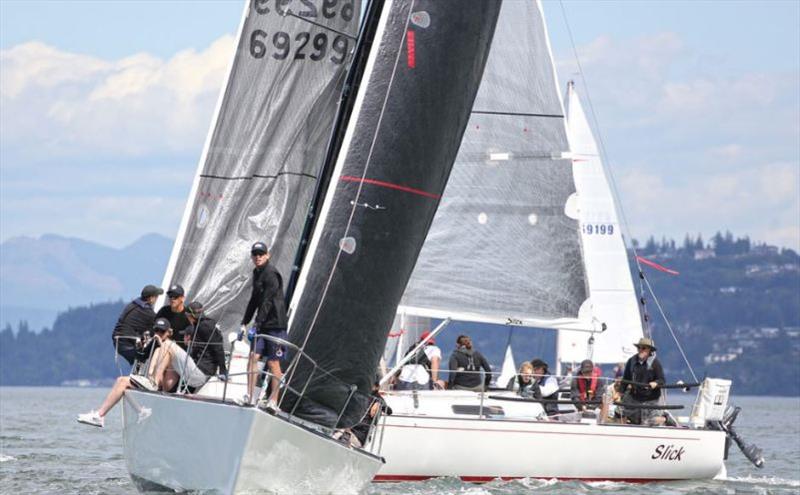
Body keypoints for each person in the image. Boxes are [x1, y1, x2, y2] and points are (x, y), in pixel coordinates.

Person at [78, 317, 176, 428]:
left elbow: (165, 364)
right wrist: (145, 345)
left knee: (122, 381)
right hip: (148, 380)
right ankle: (141, 411)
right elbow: (141, 356)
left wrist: (158, 343)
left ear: (169, 332)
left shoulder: (168, 345)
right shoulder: (154, 343)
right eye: (156, 330)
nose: (158, 333)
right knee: (123, 385)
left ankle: (100, 415)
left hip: (154, 384)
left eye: (162, 331)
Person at [240, 241, 288, 406]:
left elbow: (267, 301)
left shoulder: (271, 274)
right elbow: (255, 299)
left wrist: (256, 324)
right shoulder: (257, 273)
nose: (258, 257)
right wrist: (244, 322)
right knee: (253, 357)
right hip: (262, 324)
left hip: (276, 325)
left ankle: (273, 401)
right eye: (255, 254)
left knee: (273, 362)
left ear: (268, 255)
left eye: (261, 254)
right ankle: (250, 395)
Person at [111, 284, 163, 365]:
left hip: (117, 341)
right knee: (149, 352)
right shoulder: (148, 312)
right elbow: (158, 326)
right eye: (156, 296)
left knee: (140, 357)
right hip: (128, 343)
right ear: (151, 298)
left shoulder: (132, 305)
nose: (157, 299)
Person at [621, 337, 666, 425]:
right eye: (639, 348)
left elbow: (662, 380)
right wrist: (620, 393)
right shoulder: (631, 361)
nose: (641, 350)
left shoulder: (655, 363)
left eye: (644, 348)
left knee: (651, 421)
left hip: (651, 399)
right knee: (620, 412)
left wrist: (655, 383)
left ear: (649, 350)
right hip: (634, 397)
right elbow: (626, 379)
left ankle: (665, 418)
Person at [183, 301, 228, 382]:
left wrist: (223, 370)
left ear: (190, 315)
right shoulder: (198, 326)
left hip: (203, 369)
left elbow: (218, 347)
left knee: (169, 347)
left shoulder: (204, 326)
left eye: (187, 315)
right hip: (198, 366)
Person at [156, 284, 191, 350]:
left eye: (175, 296)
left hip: (181, 351)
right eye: (170, 296)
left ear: (182, 298)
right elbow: (154, 327)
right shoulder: (163, 311)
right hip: (162, 347)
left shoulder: (188, 315)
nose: (172, 299)